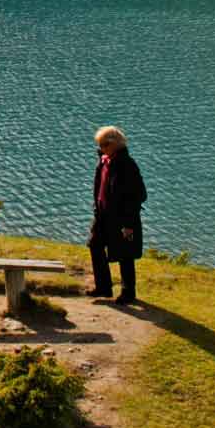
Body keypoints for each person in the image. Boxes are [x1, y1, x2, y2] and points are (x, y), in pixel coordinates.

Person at [85, 125, 147, 305]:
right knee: (95, 245)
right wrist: (97, 209)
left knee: (125, 254)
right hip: (103, 215)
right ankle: (103, 287)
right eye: (99, 145)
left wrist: (128, 224)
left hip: (123, 219)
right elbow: (99, 189)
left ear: (115, 144)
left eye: (104, 144)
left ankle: (128, 292)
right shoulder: (104, 162)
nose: (100, 148)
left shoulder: (127, 165)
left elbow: (139, 195)